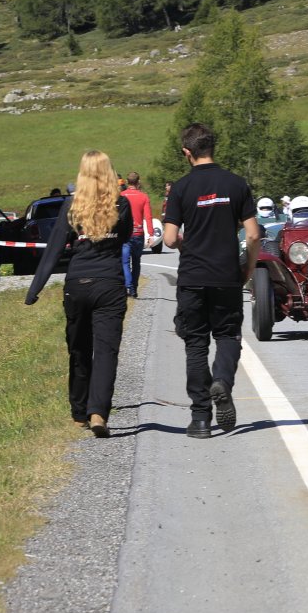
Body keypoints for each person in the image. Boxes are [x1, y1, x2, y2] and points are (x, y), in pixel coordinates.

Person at [163, 123, 261, 439]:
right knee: (228, 335)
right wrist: (248, 268)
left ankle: (201, 419)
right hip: (226, 275)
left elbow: (169, 238)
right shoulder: (236, 183)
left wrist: (185, 243)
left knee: (195, 344)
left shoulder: (180, 188)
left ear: (187, 152)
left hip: (192, 276)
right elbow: (253, 234)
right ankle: (222, 381)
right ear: (212, 148)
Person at [26, 151, 133, 438]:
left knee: (79, 348)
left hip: (77, 285)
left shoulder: (71, 206)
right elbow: (125, 237)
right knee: (106, 351)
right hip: (109, 283)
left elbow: (54, 250)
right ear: (109, 172)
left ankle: (78, 412)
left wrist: (34, 290)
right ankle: (98, 412)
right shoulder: (121, 204)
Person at [120, 170, 155, 298]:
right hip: (138, 234)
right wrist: (151, 234)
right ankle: (134, 288)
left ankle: (128, 287)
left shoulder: (122, 195)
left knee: (125, 262)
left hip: (125, 234)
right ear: (138, 182)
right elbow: (148, 217)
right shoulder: (144, 197)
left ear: (127, 181)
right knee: (136, 262)